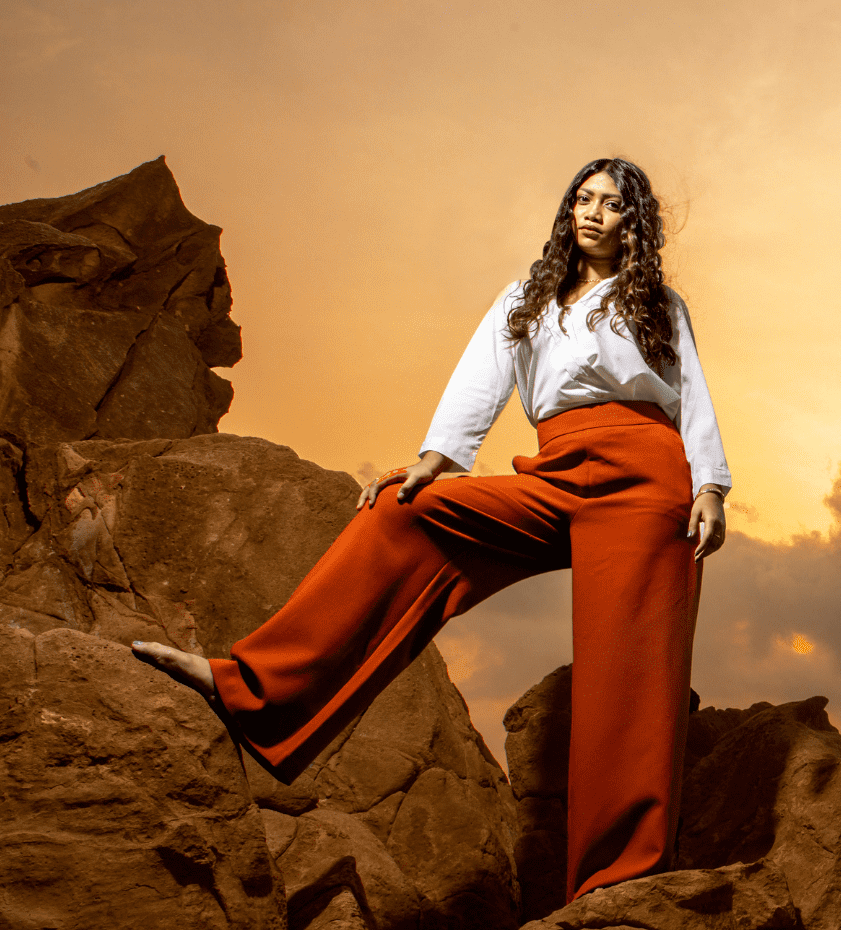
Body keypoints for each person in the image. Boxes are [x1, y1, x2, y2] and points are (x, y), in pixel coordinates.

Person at [132, 156, 730, 901]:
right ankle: (251, 687)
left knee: (628, 676)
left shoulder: (656, 303)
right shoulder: (528, 295)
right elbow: (480, 377)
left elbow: (694, 395)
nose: (592, 213)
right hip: (554, 464)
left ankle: (614, 889)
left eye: (612, 204)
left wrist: (709, 483)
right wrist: (435, 460)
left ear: (634, 222)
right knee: (400, 515)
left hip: (648, 480)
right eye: (582, 198)